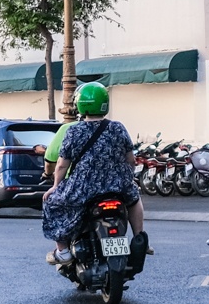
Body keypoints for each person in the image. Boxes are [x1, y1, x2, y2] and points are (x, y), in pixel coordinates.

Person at [39, 82, 146, 265]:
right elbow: (131, 160)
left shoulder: (74, 131)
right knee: (134, 199)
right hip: (118, 186)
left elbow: (62, 166)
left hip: (84, 188)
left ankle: (63, 251)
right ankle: (140, 239)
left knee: (52, 202)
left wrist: (56, 186)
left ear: (81, 105)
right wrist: (127, 178)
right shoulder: (118, 127)